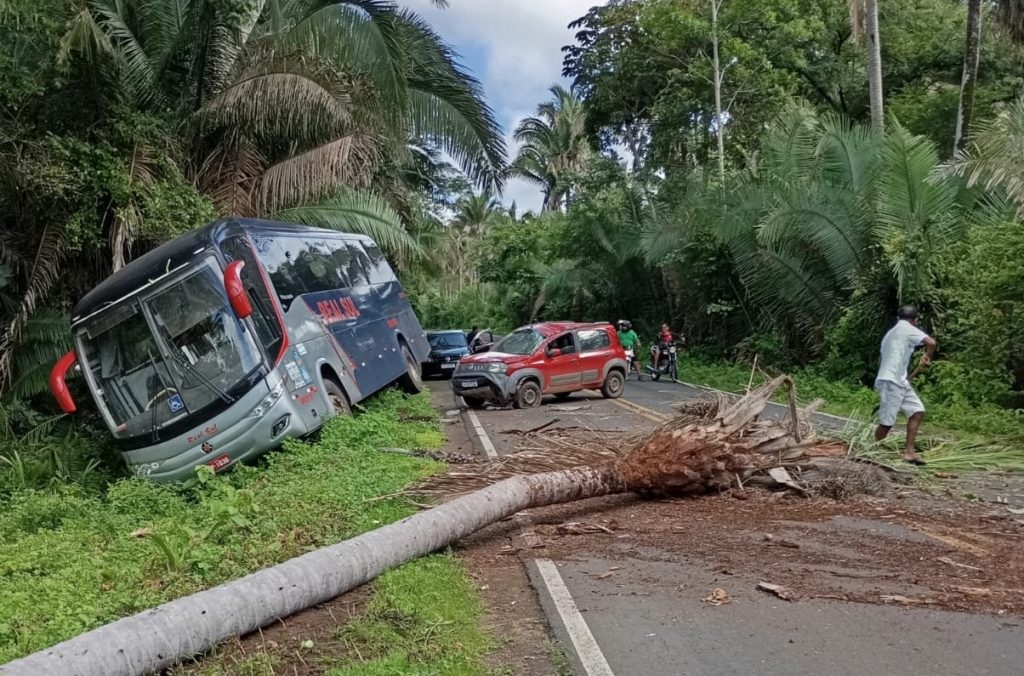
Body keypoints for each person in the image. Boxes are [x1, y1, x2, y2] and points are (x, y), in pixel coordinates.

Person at [874, 305, 937, 466]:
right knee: (887, 422)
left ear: (898, 318)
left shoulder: (889, 334)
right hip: (891, 381)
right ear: (915, 320)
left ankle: (909, 452)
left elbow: (880, 360)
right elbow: (931, 342)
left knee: (917, 411)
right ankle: (872, 451)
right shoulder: (907, 328)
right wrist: (927, 357)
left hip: (899, 380)